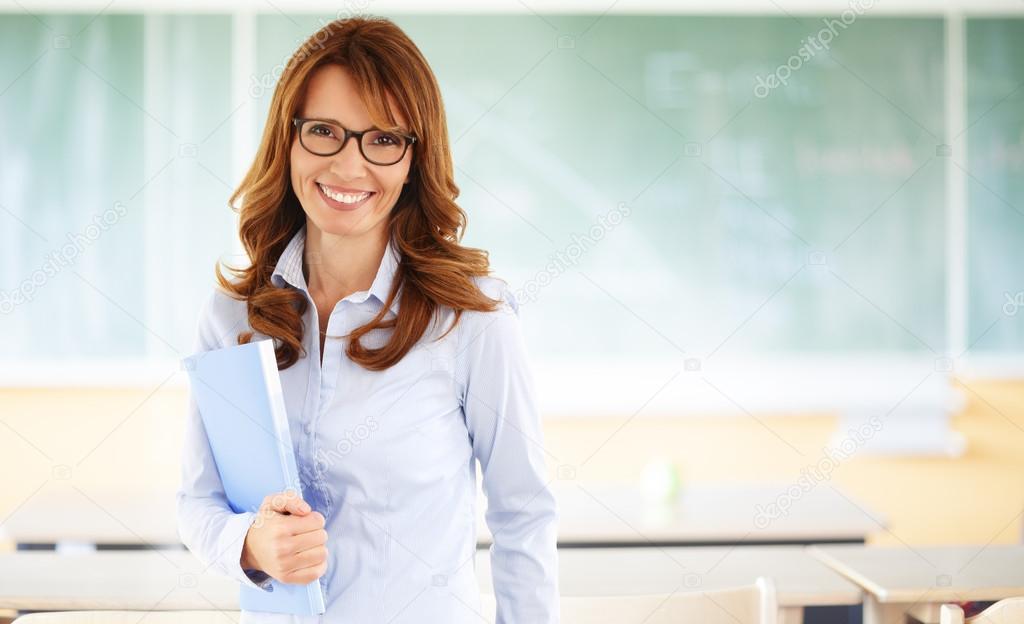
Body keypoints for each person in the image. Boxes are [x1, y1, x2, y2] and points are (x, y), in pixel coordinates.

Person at [175, 15, 559, 624]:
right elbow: (199, 502)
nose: (349, 167)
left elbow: (524, 513)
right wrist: (249, 544)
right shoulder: (232, 316)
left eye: (382, 139)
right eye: (324, 131)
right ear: (289, 140)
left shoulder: (471, 319)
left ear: (414, 157)